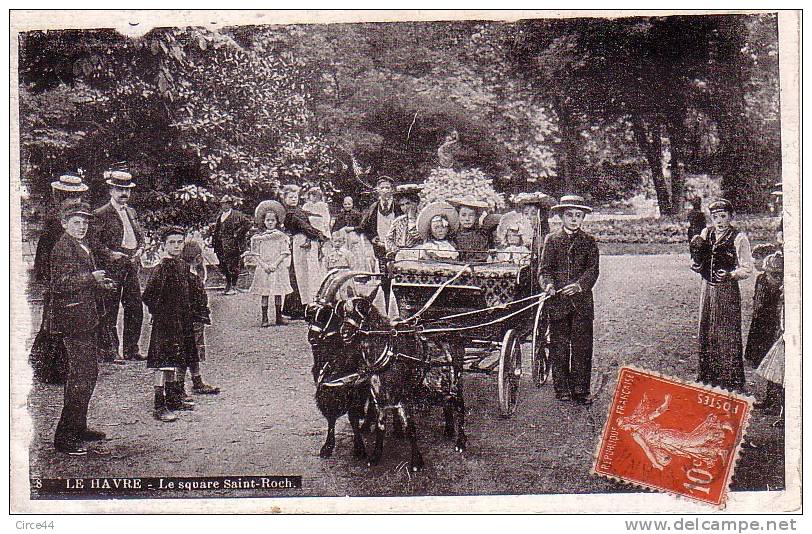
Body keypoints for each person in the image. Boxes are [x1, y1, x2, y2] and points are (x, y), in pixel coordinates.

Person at [50, 201, 116, 455]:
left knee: (88, 374)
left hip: (86, 317)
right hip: (73, 320)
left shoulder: (81, 245)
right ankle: (65, 437)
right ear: (65, 224)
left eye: (85, 222)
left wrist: (100, 283)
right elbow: (60, 284)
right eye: (76, 222)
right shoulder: (62, 248)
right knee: (80, 376)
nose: (82, 226)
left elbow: (82, 280)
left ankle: (79, 427)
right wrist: (92, 278)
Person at [540, 195, 600, 405]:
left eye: (578, 216)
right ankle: (562, 388)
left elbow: (593, 270)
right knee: (559, 346)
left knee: (582, 347)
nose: (574, 219)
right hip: (558, 303)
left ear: (582, 218)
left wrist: (579, 286)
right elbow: (544, 270)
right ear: (561, 217)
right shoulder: (552, 240)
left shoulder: (589, 241)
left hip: (582, 303)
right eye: (569, 215)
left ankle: (581, 389)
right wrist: (548, 285)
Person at [689, 199, 753, 393]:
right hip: (707, 287)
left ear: (730, 216)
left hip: (727, 289)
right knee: (707, 328)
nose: (719, 220)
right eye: (715, 217)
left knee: (726, 331)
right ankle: (707, 375)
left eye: (723, 216)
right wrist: (697, 264)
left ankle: (729, 379)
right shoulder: (706, 233)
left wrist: (731, 274)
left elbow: (747, 268)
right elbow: (699, 257)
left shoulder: (738, 237)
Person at [30, 174, 88, 384]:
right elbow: (43, 260)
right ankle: (49, 371)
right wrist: (49, 281)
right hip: (58, 283)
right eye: (70, 197)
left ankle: (70, 368)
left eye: (78, 197)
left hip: (75, 281)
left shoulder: (80, 222)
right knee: (53, 326)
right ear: (60, 198)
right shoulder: (54, 226)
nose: (75, 201)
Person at [142, 227, 197, 423]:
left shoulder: (182, 265)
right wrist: (159, 312)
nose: (176, 246)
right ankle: (159, 404)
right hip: (165, 321)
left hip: (180, 320)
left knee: (175, 358)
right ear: (164, 245)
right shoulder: (161, 268)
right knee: (162, 363)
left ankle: (173, 398)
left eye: (179, 242)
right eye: (172, 242)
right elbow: (148, 295)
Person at [90, 170, 145, 362]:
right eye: (120, 189)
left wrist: (140, 249)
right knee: (110, 308)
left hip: (131, 264)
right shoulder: (100, 213)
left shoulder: (131, 212)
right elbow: (94, 242)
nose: (124, 194)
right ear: (111, 190)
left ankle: (132, 349)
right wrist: (111, 254)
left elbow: (139, 235)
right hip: (112, 265)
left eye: (127, 190)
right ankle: (111, 350)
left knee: (135, 307)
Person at [280, 184, 329, 318]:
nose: (293, 199)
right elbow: (303, 226)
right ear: (285, 199)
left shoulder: (298, 210)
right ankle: (298, 308)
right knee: (300, 273)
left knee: (303, 274)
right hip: (300, 241)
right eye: (290, 197)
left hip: (305, 240)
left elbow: (307, 217)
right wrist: (319, 234)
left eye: (295, 197)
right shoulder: (290, 213)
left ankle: (299, 307)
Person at [179, 240, 220, 395]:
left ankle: (197, 381)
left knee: (195, 350)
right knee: (186, 351)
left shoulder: (197, 272)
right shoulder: (185, 274)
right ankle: (179, 386)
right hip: (189, 318)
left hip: (198, 317)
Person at [244, 200, 292, 327]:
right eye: (267, 220)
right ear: (263, 222)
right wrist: (264, 265)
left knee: (278, 291)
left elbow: (284, 252)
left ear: (277, 222)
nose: (270, 222)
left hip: (277, 267)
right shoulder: (258, 238)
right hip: (264, 267)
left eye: (273, 220)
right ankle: (264, 318)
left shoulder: (281, 236)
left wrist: (275, 264)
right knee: (264, 292)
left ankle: (278, 316)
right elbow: (255, 254)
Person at [744, 219, 784, 368]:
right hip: (759, 310)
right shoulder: (761, 278)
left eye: (758, 260)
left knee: (764, 332)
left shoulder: (768, 278)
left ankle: (759, 357)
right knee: (757, 331)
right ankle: (753, 356)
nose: (755, 263)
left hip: (766, 310)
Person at [212, 195, 252, 295]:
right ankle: (228, 283)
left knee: (233, 266)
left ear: (230, 204)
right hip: (220, 246)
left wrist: (238, 234)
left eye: (226, 203)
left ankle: (233, 286)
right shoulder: (220, 216)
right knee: (223, 265)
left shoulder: (237, 215)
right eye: (222, 204)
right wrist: (213, 241)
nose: (223, 205)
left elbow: (248, 224)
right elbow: (216, 231)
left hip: (233, 245)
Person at [385, 184, 422, 258]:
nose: (405, 207)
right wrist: (394, 248)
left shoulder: (422, 219)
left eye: (408, 203)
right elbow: (388, 238)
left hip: (417, 253)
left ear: (416, 203)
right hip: (399, 253)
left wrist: (411, 218)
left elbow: (416, 235)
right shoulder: (398, 221)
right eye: (402, 205)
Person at [450, 197, 490, 262]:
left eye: (471, 215)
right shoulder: (453, 236)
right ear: (458, 216)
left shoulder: (481, 236)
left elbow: (482, 257)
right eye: (463, 215)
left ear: (476, 216)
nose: (467, 219)